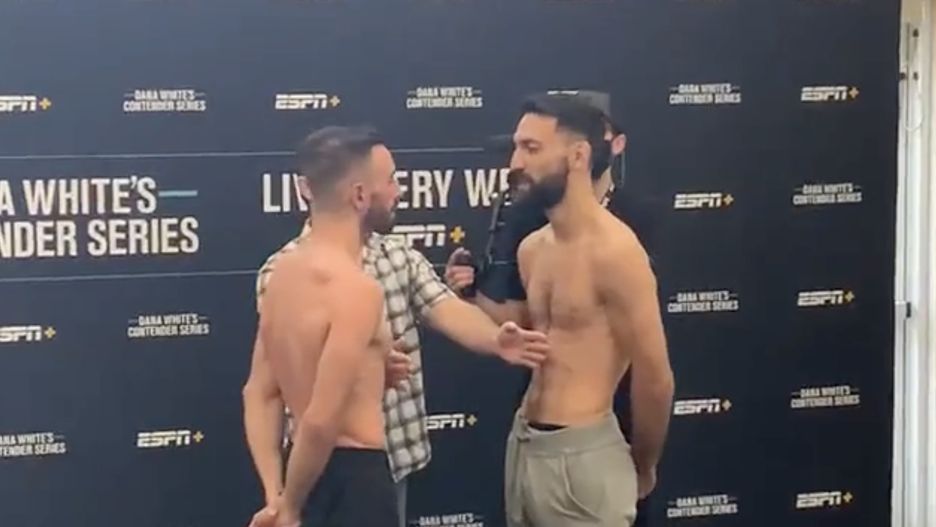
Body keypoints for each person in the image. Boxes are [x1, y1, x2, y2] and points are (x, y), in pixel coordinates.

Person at [244, 127, 552, 527]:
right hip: (350, 478)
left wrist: (278, 496)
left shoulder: (288, 274)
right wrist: (287, 503)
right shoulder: (355, 288)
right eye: (390, 180)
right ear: (359, 196)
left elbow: (260, 390)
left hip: (330, 470)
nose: (399, 190)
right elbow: (318, 418)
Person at [445, 91, 661, 526]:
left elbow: (655, 376)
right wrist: (468, 296)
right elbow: (525, 330)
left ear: (578, 156)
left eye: (531, 148)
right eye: (516, 147)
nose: (515, 163)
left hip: (584, 451)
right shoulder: (532, 248)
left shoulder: (617, 251)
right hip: (525, 441)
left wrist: (644, 465)